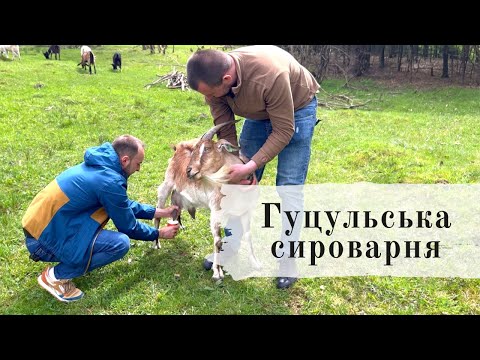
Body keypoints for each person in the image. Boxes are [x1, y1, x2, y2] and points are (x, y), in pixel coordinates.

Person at [186, 45, 320, 289]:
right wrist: (237, 163)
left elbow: (283, 130)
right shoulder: (213, 82)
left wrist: (251, 166)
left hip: (297, 112)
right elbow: (225, 126)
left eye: (212, 94)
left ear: (227, 78)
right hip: (258, 116)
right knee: (234, 186)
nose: (210, 98)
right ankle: (229, 248)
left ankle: (288, 260)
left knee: (289, 187)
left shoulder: (269, 75)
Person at [22, 135, 180, 302]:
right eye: (138, 163)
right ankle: (55, 277)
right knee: (120, 244)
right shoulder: (108, 182)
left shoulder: (100, 166)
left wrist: (160, 212)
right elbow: (128, 227)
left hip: (40, 230)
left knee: (107, 239)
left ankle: (68, 262)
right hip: (42, 242)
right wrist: (159, 233)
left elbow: (121, 204)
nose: (139, 169)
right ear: (125, 160)